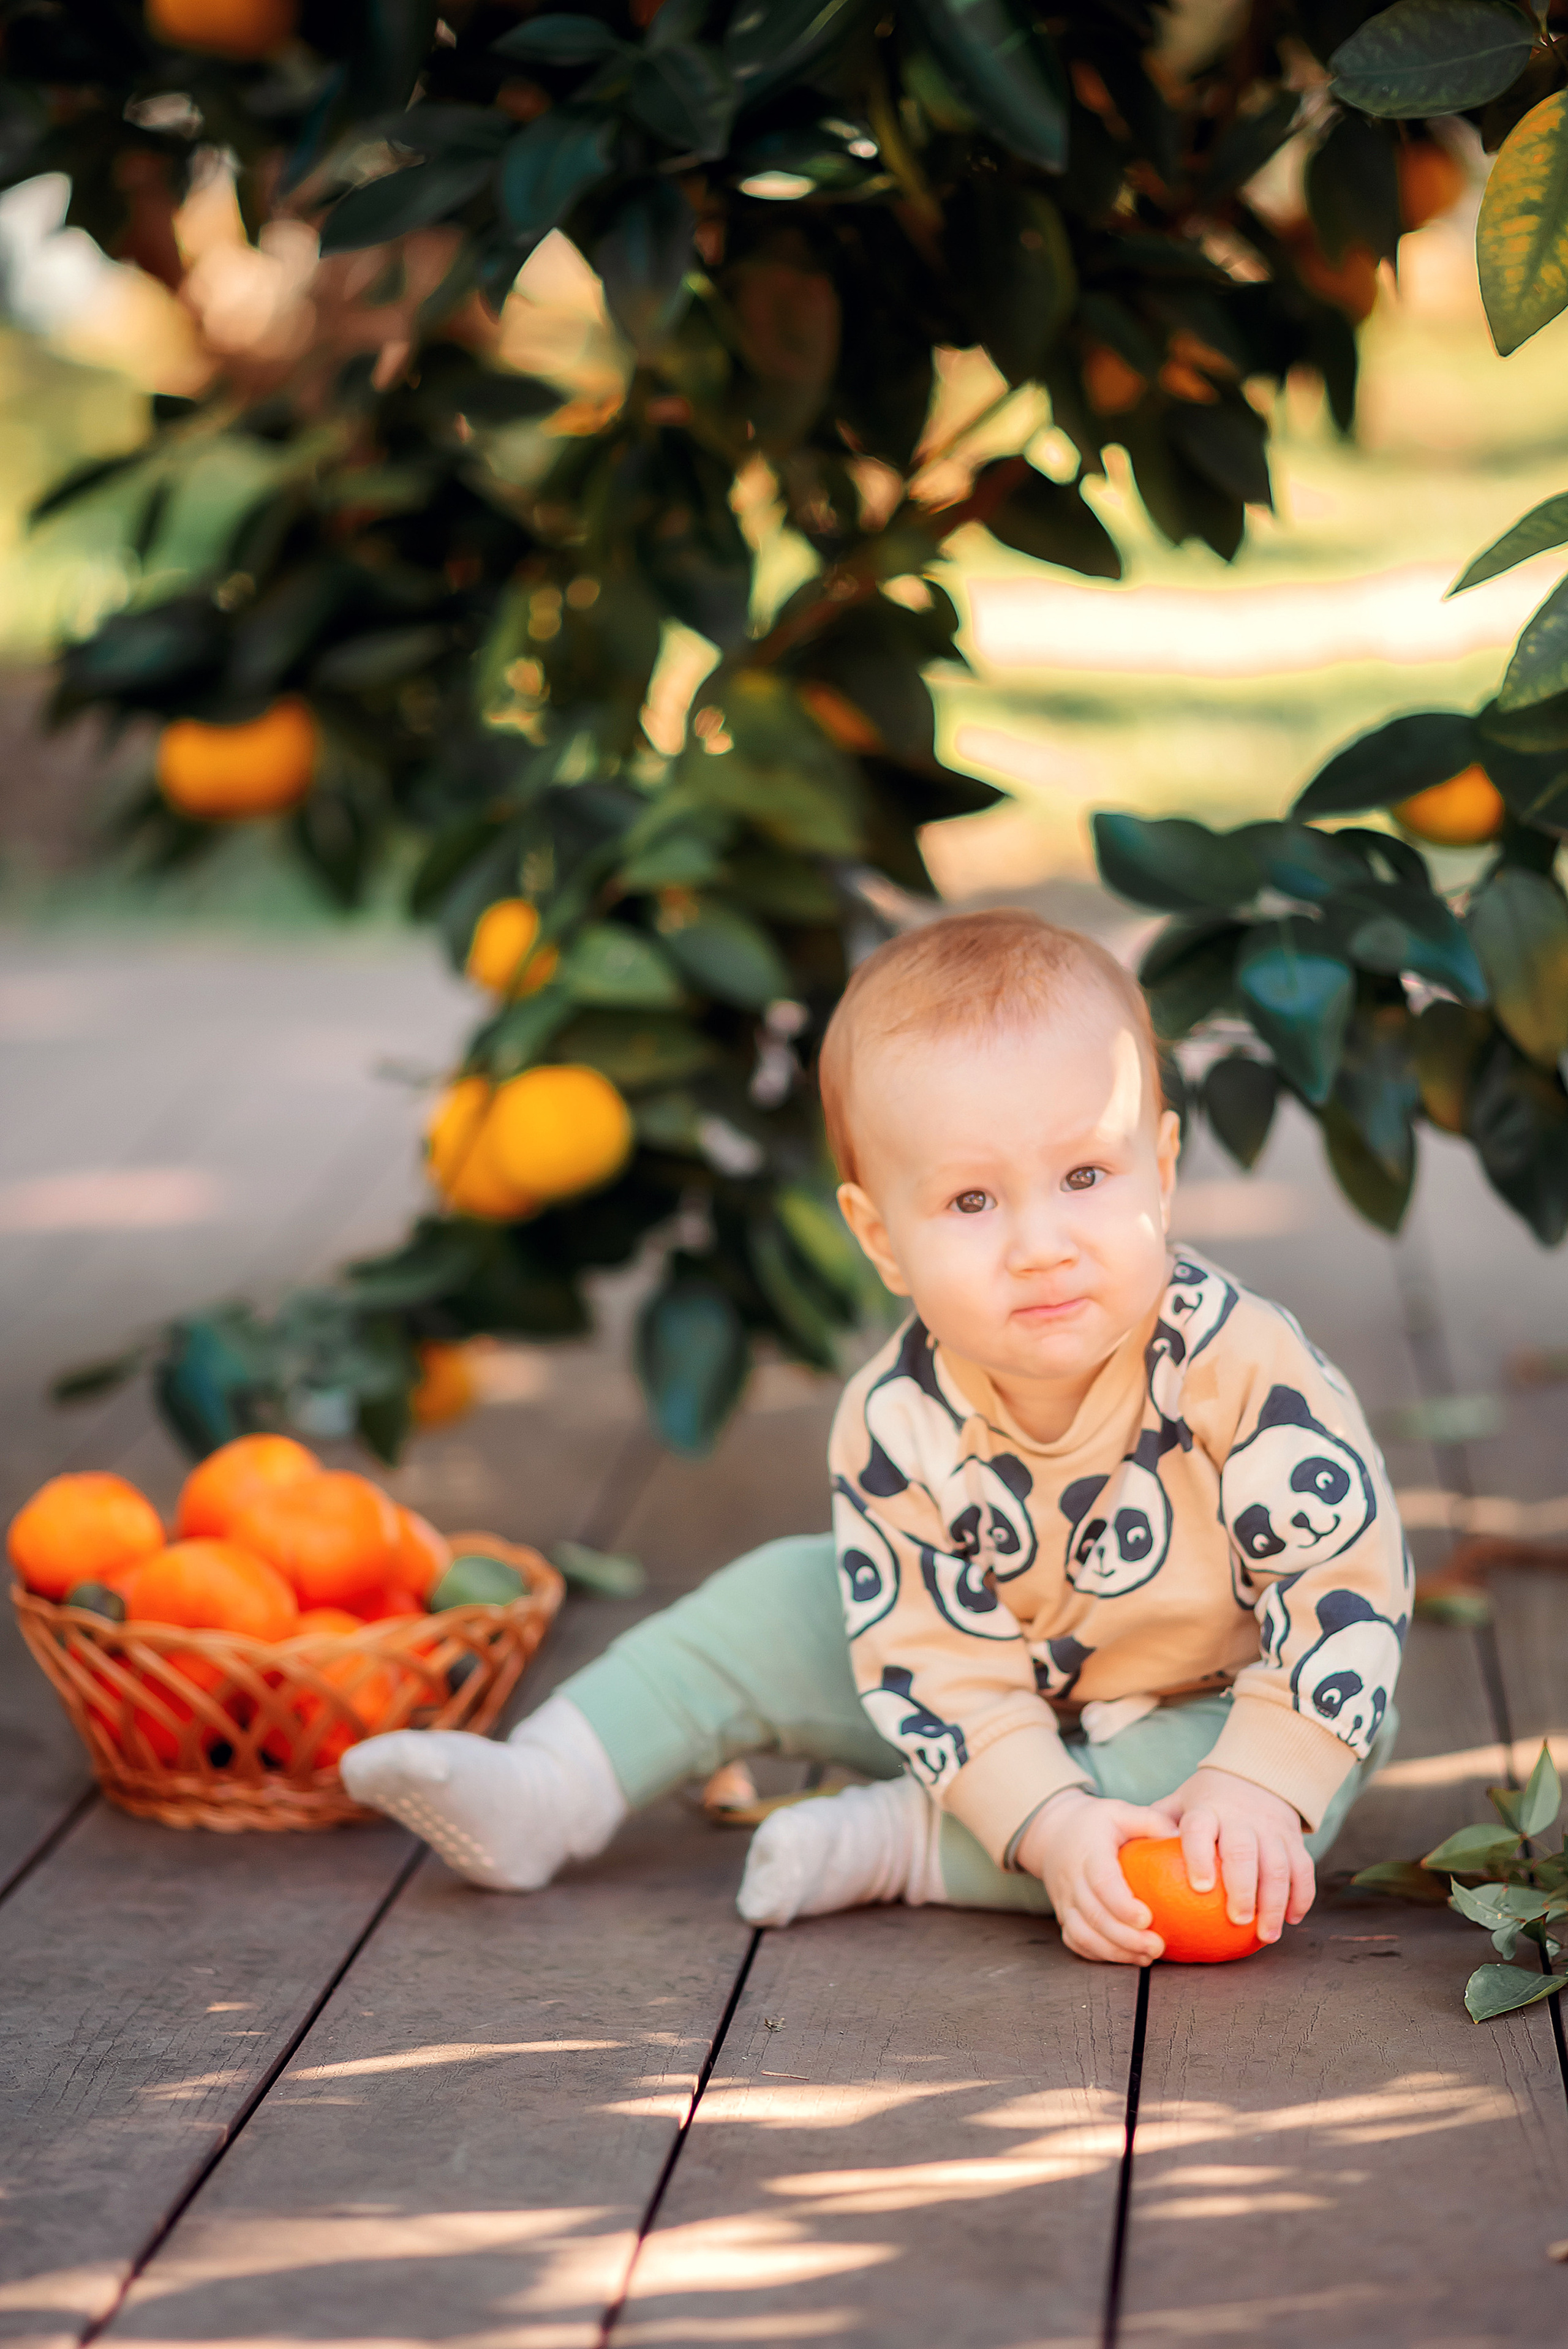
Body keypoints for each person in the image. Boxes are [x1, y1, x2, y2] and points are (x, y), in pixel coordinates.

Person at [343, 910, 1408, 1964]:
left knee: (1204, 1842)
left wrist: (1257, 1779)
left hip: (1221, 1707)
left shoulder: (1240, 1363)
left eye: (1085, 1177)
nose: (1041, 1246)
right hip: (985, 1697)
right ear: (879, 1237)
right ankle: (551, 1786)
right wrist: (1042, 1815)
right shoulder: (898, 1420)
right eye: (972, 1199)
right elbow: (934, 1663)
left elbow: (1341, 1585)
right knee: (773, 1600)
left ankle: (906, 1843)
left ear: (1162, 1171)